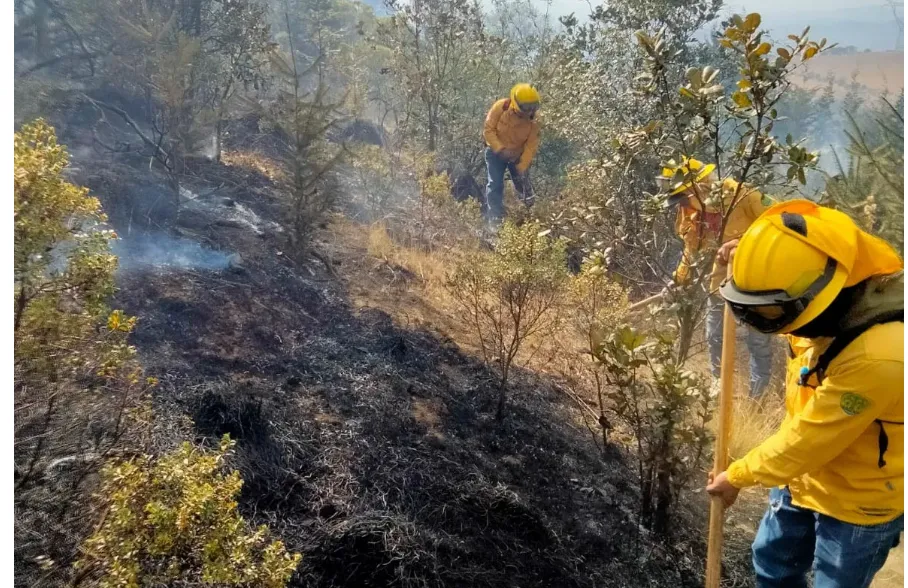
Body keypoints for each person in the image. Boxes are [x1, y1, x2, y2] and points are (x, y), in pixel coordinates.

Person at [707, 200, 904, 588]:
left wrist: (739, 475)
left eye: (768, 312)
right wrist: (749, 254)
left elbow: (808, 441)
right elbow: (810, 239)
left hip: (858, 502)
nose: (764, 324)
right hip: (798, 480)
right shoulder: (822, 286)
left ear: (821, 295)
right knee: (773, 569)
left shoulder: (882, 354)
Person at [661, 157, 773, 397]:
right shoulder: (691, 213)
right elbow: (690, 249)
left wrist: (741, 242)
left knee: (758, 340)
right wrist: (678, 280)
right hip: (721, 280)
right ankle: (718, 384)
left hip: (758, 279)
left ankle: (759, 395)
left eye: (684, 196)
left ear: (698, 188)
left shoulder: (742, 195)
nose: (682, 205)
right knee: (714, 335)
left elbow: (781, 223)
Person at [482, 83, 540, 226]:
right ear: (516, 103)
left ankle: (530, 220)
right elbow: (488, 130)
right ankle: (495, 221)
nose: (530, 111)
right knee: (495, 185)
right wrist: (500, 149)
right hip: (496, 153)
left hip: (518, 156)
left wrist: (521, 166)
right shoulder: (501, 107)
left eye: (533, 107)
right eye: (527, 108)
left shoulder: (535, 122)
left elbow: (531, 147)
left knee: (524, 186)